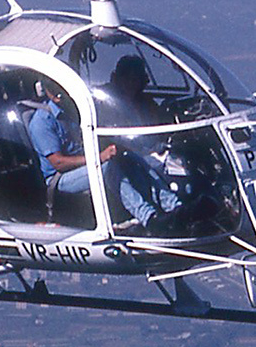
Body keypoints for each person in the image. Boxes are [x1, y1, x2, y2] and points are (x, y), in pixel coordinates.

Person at [27, 77, 180, 234]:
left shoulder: (73, 111)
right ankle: (149, 218)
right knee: (107, 166)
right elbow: (58, 163)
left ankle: (173, 206)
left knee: (129, 157)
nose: (59, 95)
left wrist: (117, 148)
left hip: (84, 166)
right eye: (53, 90)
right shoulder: (42, 122)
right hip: (61, 178)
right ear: (46, 90)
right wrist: (99, 157)